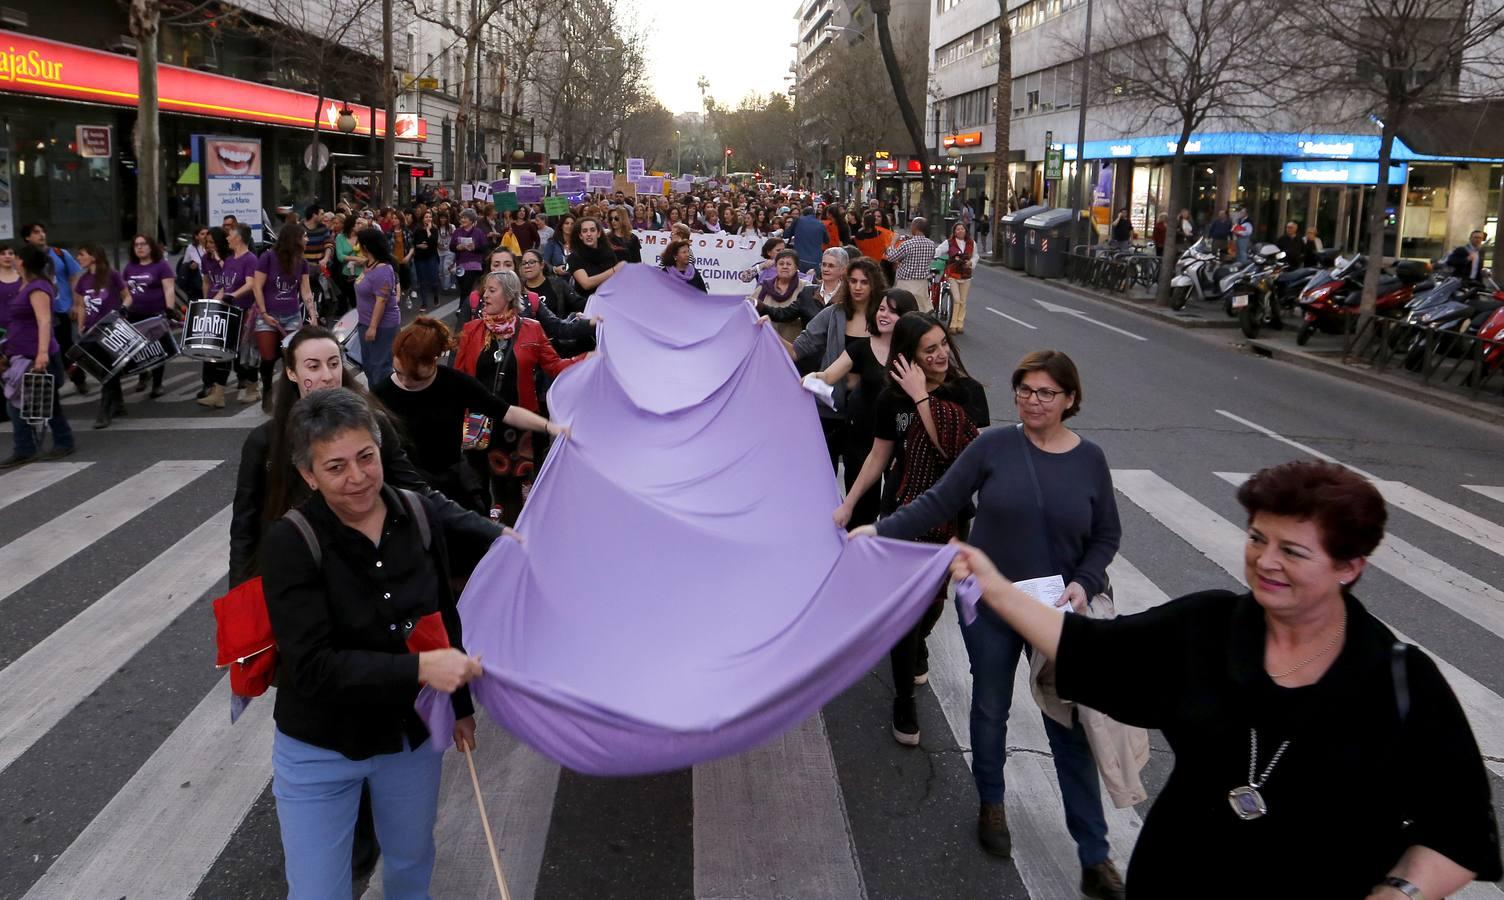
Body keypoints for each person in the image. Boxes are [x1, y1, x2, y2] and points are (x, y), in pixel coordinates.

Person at [944, 460, 1504, 898]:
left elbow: (1459, 832)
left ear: (1349, 566)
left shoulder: (1400, 680)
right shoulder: (1208, 625)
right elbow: (1088, 647)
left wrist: (1398, 893)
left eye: (1293, 550)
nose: (1266, 561)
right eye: (1258, 538)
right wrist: (993, 584)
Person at [855, 349, 1125, 898]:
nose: (1032, 401)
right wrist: (878, 532)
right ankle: (992, 804)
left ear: (1070, 399)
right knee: (990, 705)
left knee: (1069, 726)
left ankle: (1095, 855)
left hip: (1055, 610)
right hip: (992, 603)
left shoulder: (1090, 459)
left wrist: (1087, 582)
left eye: (1046, 392)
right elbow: (938, 502)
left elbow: (1105, 535)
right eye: (1024, 390)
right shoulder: (993, 446)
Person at [262, 387, 483, 900]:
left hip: (408, 740)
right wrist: (422, 671)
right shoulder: (291, 542)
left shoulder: (420, 515)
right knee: (318, 892)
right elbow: (313, 668)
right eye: (336, 467)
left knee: (410, 865)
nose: (358, 478)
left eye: (366, 457)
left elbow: (443, 617)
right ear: (308, 475)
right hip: (318, 748)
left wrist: (461, 707)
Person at [836, 310, 987, 744]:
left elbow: (960, 460)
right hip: (904, 513)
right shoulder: (891, 398)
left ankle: (919, 642)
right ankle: (903, 699)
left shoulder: (967, 393)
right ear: (909, 356)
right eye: (929, 349)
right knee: (906, 611)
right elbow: (879, 455)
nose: (941, 354)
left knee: (933, 605)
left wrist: (923, 397)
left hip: (954, 519)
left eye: (943, 345)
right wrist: (848, 503)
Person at [373, 316, 564, 512]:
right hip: (410, 490)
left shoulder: (455, 383)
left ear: (433, 360)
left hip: (454, 484)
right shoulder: (381, 395)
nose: (403, 381)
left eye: (412, 376)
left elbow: (506, 411)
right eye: (398, 371)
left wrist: (550, 427)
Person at [454, 271, 585, 524]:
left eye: (492, 290)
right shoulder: (471, 330)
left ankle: (517, 539)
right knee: (477, 487)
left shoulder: (532, 330)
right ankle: (483, 541)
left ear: (510, 295)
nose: (485, 295)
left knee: (515, 490)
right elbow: (458, 377)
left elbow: (555, 367)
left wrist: (585, 360)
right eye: (485, 290)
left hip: (519, 425)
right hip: (478, 422)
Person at [790, 258, 884, 499]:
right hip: (831, 411)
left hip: (868, 415)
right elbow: (797, 349)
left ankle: (858, 534)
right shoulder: (833, 315)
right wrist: (766, 330)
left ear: (875, 285)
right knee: (822, 483)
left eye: (865, 282)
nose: (858, 287)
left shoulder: (884, 319)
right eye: (853, 281)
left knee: (863, 487)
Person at [1, 244, 75, 467]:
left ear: (23, 261)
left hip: (37, 355)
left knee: (45, 403)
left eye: (16, 256)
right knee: (18, 403)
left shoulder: (38, 287)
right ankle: (27, 448)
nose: (13, 259)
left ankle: (61, 442)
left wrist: (42, 353)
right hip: (20, 353)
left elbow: (44, 321)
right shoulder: (24, 285)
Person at [252, 224, 319, 411]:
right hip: (267, 314)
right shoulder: (267, 258)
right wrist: (264, 313)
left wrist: (312, 315)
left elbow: (305, 291)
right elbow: (257, 286)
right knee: (268, 357)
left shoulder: (302, 262)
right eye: (304, 236)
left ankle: (292, 397)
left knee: (291, 358)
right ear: (293, 239)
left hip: (292, 315)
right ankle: (266, 388)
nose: (307, 240)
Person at [19, 222, 85, 393]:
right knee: (44, 349)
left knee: (67, 348)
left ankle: (79, 379)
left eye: (43, 231)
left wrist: (76, 304)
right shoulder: (23, 260)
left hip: (61, 310)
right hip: (37, 313)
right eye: (36, 232)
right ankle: (48, 387)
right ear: (27, 237)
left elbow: (74, 279)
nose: (41, 235)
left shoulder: (60, 254)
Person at [73, 243, 129, 428]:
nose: (78, 258)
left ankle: (105, 411)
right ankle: (119, 404)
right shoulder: (82, 280)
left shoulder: (111, 274)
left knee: (108, 370)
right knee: (107, 369)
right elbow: (81, 305)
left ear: (93, 256)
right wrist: (81, 326)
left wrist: (123, 309)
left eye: (81, 254)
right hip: (91, 330)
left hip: (111, 328)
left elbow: (127, 296)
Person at [121, 234, 177, 399]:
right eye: (136, 244)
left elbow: (169, 289)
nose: (139, 247)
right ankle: (142, 374)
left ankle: (157, 384)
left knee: (157, 349)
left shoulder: (161, 266)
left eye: (143, 244)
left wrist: (169, 309)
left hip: (155, 314)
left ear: (151, 246)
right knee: (137, 348)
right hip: (134, 313)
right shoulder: (129, 267)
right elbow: (125, 292)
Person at [354, 227, 400, 387]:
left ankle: (383, 403)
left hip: (382, 326)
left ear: (366, 247)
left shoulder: (383, 270)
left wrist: (373, 327)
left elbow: (381, 301)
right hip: (365, 323)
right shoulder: (369, 264)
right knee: (368, 366)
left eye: (359, 244)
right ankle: (376, 398)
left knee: (380, 367)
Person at [749, 249, 813, 342]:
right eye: (781, 264)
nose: (785, 267)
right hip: (766, 343)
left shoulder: (806, 288)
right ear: (776, 267)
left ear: (796, 268)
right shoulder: (764, 288)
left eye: (789, 264)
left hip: (794, 346)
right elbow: (750, 312)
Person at [886, 218, 937, 312]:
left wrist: (892, 243)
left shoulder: (907, 244)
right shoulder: (931, 244)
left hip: (906, 283)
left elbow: (891, 257)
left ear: (915, 227)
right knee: (920, 311)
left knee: (904, 310)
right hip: (922, 283)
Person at [568, 217, 623, 302]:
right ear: (580, 236)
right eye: (585, 231)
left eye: (592, 230)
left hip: (611, 300)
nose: (589, 234)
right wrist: (613, 270)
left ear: (598, 233)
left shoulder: (609, 253)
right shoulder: (575, 257)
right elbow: (586, 283)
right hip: (587, 304)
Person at [450, 209, 490, 323]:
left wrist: (474, 248)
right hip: (460, 264)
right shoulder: (457, 231)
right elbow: (451, 246)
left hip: (474, 265)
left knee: (468, 288)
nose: (462, 220)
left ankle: (462, 309)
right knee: (462, 287)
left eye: (465, 218)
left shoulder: (478, 232)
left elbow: (485, 247)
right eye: (461, 217)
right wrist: (457, 247)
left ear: (472, 220)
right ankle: (466, 308)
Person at [943, 223, 976, 334]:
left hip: (966, 275)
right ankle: (952, 325)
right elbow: (938, 251)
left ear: (965, 231)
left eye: (962, 229)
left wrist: (971, 262)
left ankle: (959, 324)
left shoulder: (972, 243)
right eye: (958, 229)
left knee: (963, 301)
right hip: (953, 274)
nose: (960, 231)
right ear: (954, 231)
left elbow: (976, 256)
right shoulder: (949, 243)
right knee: (956, 299)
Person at [411, 210, 441, 313]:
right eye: (426, 217)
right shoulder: (417, 230)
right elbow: (413, 242)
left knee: (434, 280)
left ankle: (436, 295)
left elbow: (433, 242)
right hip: (420, 258)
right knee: (422, 281)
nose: (428, 219)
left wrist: (428, 230)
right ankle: (424, 302)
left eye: (430, 217)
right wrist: (419, 245)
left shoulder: (435, 229)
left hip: (431, 256)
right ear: (422, 219)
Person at [332, 214, 361, 317]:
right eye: (357, 223)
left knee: (359, 302)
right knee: (349, 299)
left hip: (361, 273)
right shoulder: (340, 237)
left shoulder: (362, 236)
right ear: (351, 225)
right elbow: (340, 256)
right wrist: (356, 258)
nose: (360, 225)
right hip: (347, 274)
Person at [790, 206, 830, 272]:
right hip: (815, 260)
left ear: (803, 214)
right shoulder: (821, 224)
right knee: (813, 280)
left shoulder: (798, 220)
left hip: (799, 258)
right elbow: (827, 241)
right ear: (814, 214)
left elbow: (787, 234)